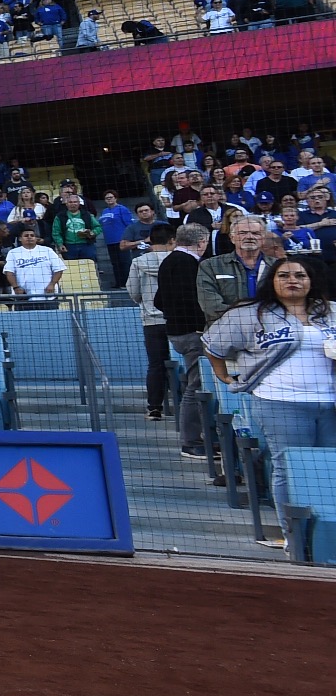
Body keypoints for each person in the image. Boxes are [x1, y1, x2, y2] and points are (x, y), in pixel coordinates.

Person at [203, 254, 336, 550]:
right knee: (287, 467)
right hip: (280, 401)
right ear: (272, 281)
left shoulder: (331, 312)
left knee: (330, 468)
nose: (292, 281)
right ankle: (295, 538)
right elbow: (213, 344)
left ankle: (326, 537)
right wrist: (225, 377)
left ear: (311, 281)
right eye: (284, 276)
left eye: (300, 276)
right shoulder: (251, 313)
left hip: (331, 403)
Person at [155, 223, 215, 466]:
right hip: (192, 332)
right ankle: (191, 441)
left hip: (178, 331)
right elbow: (192, 299)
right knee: (195, 386)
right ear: (201, 242)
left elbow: (160, 300)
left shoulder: (169, 261)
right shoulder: (188, 264)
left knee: (193, 383)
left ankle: (202, 436)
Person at [125, 224, 178, 421]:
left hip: (151, 320)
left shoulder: (139, 262)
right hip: (178, 319)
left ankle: (155, 408)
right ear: (172, 240)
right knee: (186, 364)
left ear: (150, 240)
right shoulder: (181, 261)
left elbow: (133, 292)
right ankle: (187, 405)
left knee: (156, 365)